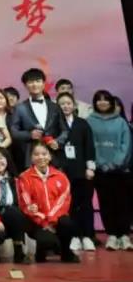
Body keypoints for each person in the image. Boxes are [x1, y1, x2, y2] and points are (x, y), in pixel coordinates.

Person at [85, 89, 131, 250]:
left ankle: (124, 235)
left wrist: (115, 163)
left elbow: (126, 145)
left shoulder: (121, 122)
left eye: (106, 99)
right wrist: (100, 163)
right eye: (99, 99)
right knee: (106, 203)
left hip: (120, 171)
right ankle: (111, 234)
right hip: (100, 171)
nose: (102, 102)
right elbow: (90, 144)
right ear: (95, 103)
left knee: (123, 203)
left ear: (111, 102)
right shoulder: (90, 121)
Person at [18, 141, 79, 263]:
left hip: (56, 219)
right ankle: (41, 251)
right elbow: (26, 205)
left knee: (67, 223)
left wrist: (51, 220)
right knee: (47, 241)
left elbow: (64, 202)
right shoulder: (24, 178)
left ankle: (66, 252)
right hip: (37, 221)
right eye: (36, 154)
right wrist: (44, 222)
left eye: (44, 154)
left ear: (50, 156)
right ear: (31, 158)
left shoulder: (61, 176)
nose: (41, 157)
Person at [54, 91, 96, 252]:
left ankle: (87, 236)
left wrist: (90, 167)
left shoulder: (82, 123)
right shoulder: (54, 125)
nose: (65, 106)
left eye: (68, 103)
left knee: (85, 204)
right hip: (63, 171)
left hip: (81, 170)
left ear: (74, 105)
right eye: (62, 104)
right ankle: (73, 237)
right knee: (68, 205)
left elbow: (89, 145)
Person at [9, 68, 61, 169]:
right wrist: (30, 135)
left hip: (54, 156)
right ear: (25, 85)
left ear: (43, 83)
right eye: (31, 82)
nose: (35, 84)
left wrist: (58, 141)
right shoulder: (20, 108)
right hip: (30, 157)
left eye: (38, 81)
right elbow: (14, 132)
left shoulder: (54, 106)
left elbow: (64, 130)